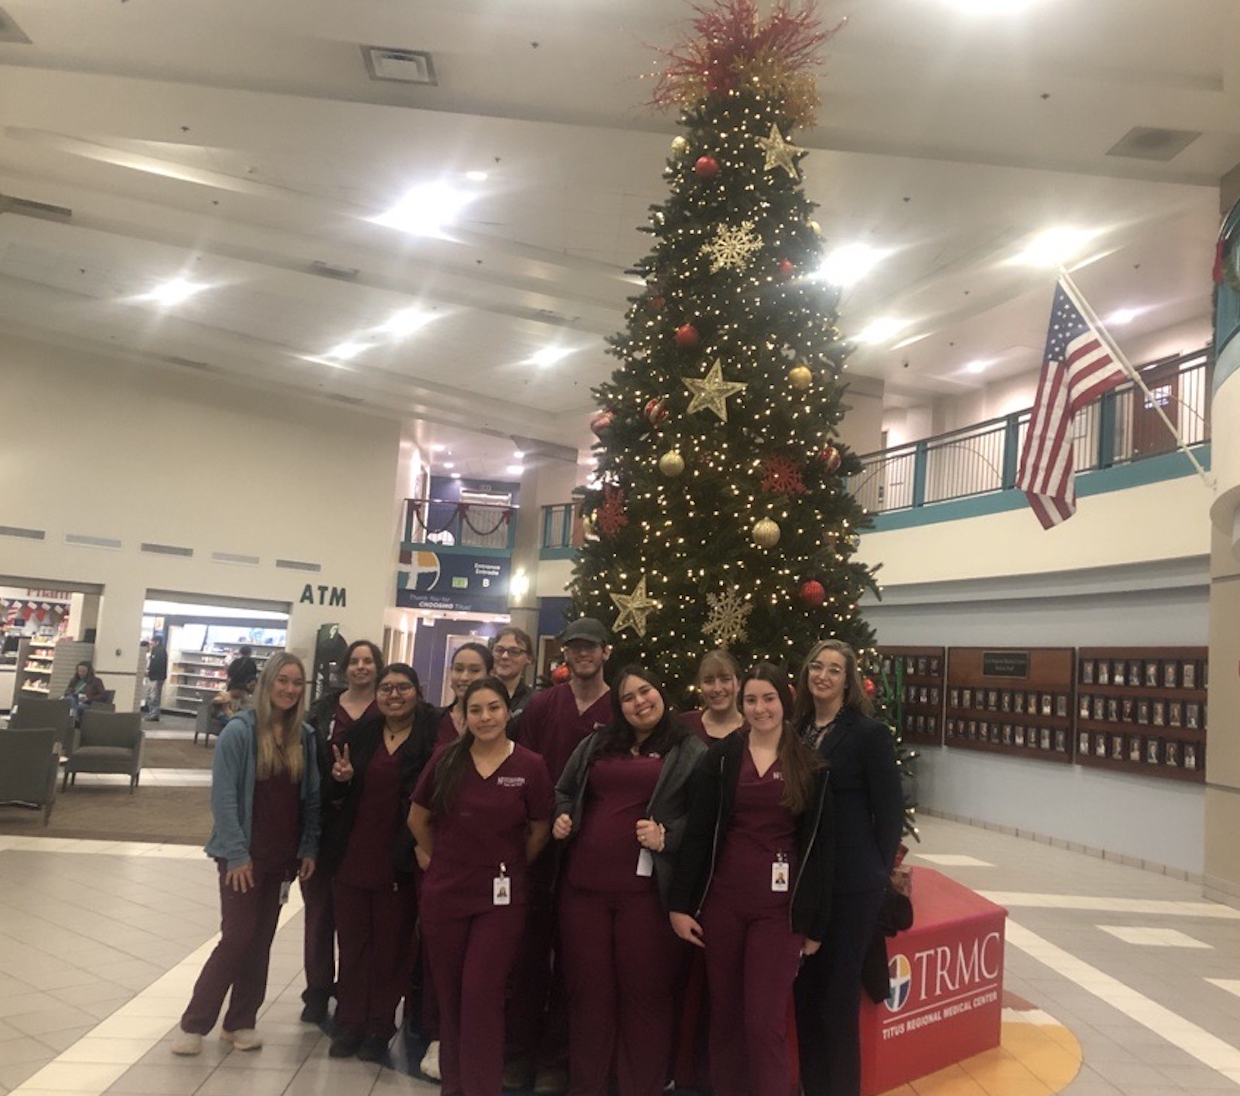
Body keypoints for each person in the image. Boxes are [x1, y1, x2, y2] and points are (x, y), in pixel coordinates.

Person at [669, 663, 834, 1096]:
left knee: (763, 1022)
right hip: (723, 905)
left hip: (779, 913)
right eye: (751, 700)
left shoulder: (810, 765)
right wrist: (680, 906)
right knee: (725, 1016)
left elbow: (820, 850)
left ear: (785, 701)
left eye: (768, 699)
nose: (759, 709)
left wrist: (816, 924)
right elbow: (699, 834)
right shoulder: (721, 759)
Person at [553, 666, 705, 1096]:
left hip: (645, 898)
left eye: (646, 691)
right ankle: (589, 1085)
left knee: (645, 995)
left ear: (661, 692)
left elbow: (707, 819)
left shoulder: (688, 749)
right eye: (628, 698)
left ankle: (640, 1086)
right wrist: (564, 816)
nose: (640, 702)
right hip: (583, 891)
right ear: (618, 708)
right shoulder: (597, 743)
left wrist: (668, 836)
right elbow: (564, 790)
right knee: (589, 995)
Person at [409, 677, 553, 1096]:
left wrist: (507, 866)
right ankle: (454, 1085)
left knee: (481, 991)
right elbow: (417, 820)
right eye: (476, 710)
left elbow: (540, 828)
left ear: (508, 712)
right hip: (446, 895)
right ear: (463, 715)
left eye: (493, 708)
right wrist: (444, 863)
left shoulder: (530, 765)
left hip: (500, 901)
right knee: (451, 995)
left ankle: (481, 1087)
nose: (485, 717)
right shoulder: (445, 760)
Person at [171, 653, 320, 1056]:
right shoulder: (239, 732)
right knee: (237, 937)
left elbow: (311, 799)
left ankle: (241, 1021)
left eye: (297, 683)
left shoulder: (302, 736)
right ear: (267, 683)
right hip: (242, 855)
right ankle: (195, 1023)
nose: (289, 689)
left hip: (281, 858)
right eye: (282, 681)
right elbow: (223, 799)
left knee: (261, 939)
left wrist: (308, 846)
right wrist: (237, 855)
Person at [791, 640, 904, 1096]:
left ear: (848, 680)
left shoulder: (867, 734)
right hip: (806, 882)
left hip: (852, 885)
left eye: (834, 669)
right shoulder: (796, 729)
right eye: (816, 666)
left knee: (837, 1001)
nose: (823, 675)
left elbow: (890, 812)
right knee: (806, 996)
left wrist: (876, 874)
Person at [506, 617, 613, 1093]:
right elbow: (522, 769)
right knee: (527, 958)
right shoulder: (543, 706)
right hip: (539, 846)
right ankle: (518, 1053)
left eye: (590, 647)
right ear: (563, 654)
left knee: (575, 962)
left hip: (593, 852)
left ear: (606, 652)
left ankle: (557, 1060)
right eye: (574, 648)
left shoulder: (620, 708)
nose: (582, 654)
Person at [321, 663, 438, 1061]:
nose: (393, 695)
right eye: (386, 688)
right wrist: (342, 778)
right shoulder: (363, 734)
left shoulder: (430, 736)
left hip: (399, 861)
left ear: (416, 692)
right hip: (353, 856)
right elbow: (335, 791)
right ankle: (350, 1023)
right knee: (353, 947)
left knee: (391, 951)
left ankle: (378, 1027)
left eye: (402, 687)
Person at [300, 640, 386, 1024]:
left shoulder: (389, 711)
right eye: (355, 661)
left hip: (365, 826)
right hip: (321, 825)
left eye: (369, 661)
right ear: (344, 667)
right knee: (319, 915)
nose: (361, 667)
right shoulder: (321, 712)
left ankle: (354, 992)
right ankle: (318, 989)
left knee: (357, 921)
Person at [680, 649, 746, 743]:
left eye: (725, 679)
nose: (717, 689)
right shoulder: (685, 725)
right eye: (709, 681)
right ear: (700, 686)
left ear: (739, 684)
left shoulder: (753, 729)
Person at [436, 642, 494, 745]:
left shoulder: (497, 722)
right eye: (458, 669)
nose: (464, 677)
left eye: (474, 670)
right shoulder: (434, 719)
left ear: (489, 675)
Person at [491, 626, 536, 714]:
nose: (505, 656)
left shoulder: (535, 701)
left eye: (514, 651)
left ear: (529, 658)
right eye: (499, 650)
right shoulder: (478, 695)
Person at [146, 634, 168, 721]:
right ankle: (152, 713)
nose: (151, 643)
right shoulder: (156, 650)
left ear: (157, 642)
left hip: (156, 677)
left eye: (152, 641)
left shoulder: (160, 651)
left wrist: (149, 671)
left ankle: (154, 715)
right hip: (154, 676)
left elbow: (156, 664)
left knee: (154, 697)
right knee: (151, 696)